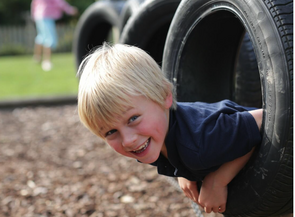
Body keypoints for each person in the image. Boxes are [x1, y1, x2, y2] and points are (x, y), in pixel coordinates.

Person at [77, 43, 262, 214]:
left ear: (165, 95)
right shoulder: (155, 137)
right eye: (110, 132)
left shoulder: (200, 141)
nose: (128, 140)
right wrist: (184, 170)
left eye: (133, 119)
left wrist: (217, 180)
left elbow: (266, 120)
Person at [31, 0, 78, 71]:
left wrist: (33, 16)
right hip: (46, 15)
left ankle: (37, 58)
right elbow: (59, 2)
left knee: (41, 37)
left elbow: (33, 4)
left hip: (38, 16)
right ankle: (47, 62)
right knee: (49, 38)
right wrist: (70, 10)